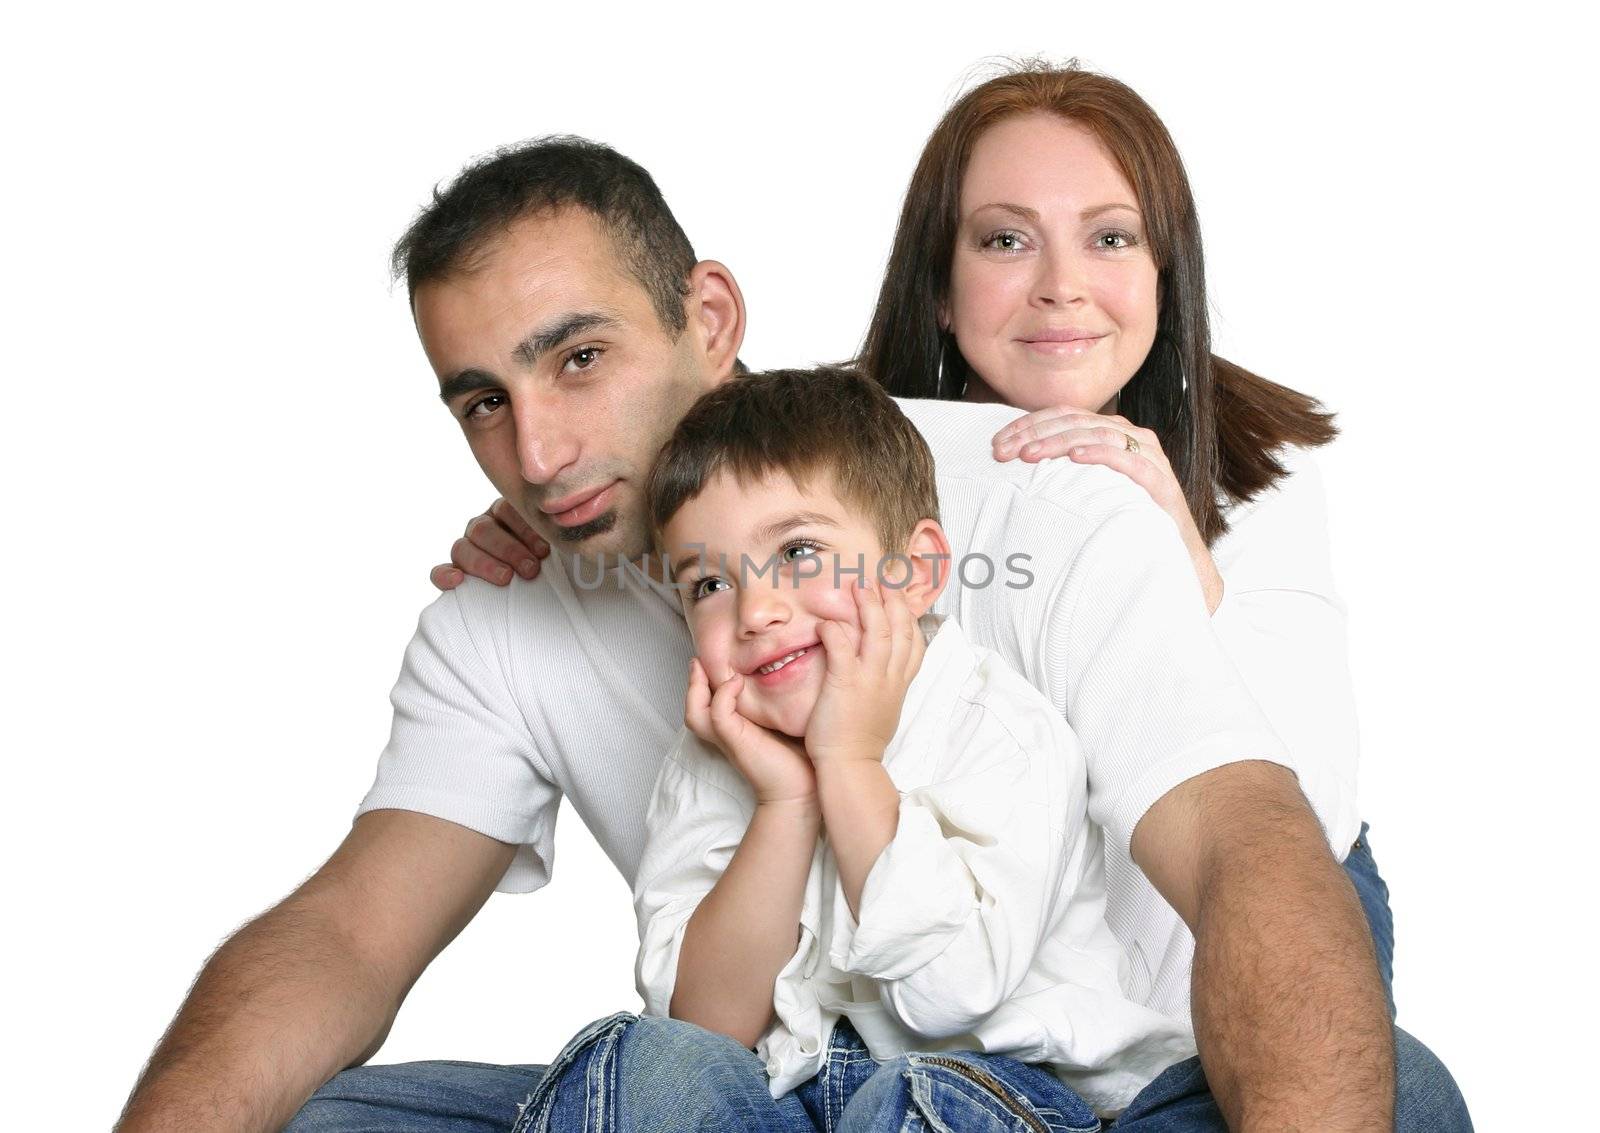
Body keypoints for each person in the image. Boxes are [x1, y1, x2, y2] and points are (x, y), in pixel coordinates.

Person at [115, 132, 1462, 1133]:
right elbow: (350, 930)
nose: (535, 449)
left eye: (579, 357)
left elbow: (1248, 845)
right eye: (481, 400)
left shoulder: (1025, 483)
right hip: (778, 1082)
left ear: (708, 317)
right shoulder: (501, 613)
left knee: (1386, 1087)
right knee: (310, 1114)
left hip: (1068, 1092)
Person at [446, 65, 1392, 1019]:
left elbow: (1300, 816)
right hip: (980, 980)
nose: (1062, 288)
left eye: (1110, 238)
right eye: (1006, 241)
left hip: (1235, 921)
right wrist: (559, 507)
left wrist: (1178, 554)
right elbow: (713, 472)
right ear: (940, 286)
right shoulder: (862, 448)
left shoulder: (1259, 470)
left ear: (1164, 275)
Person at [525, 367, 1192, 1130]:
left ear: (915, 571)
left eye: (800, 552)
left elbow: (951, 991)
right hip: (793, 1095)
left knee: (912, 1100)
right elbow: (702, 1029)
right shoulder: (713, 756)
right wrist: (788, 802)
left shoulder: (997, 727)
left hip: (1006, 1086)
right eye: (708, 584)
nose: (757, 610)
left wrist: (848, 764)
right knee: (637, 1060)